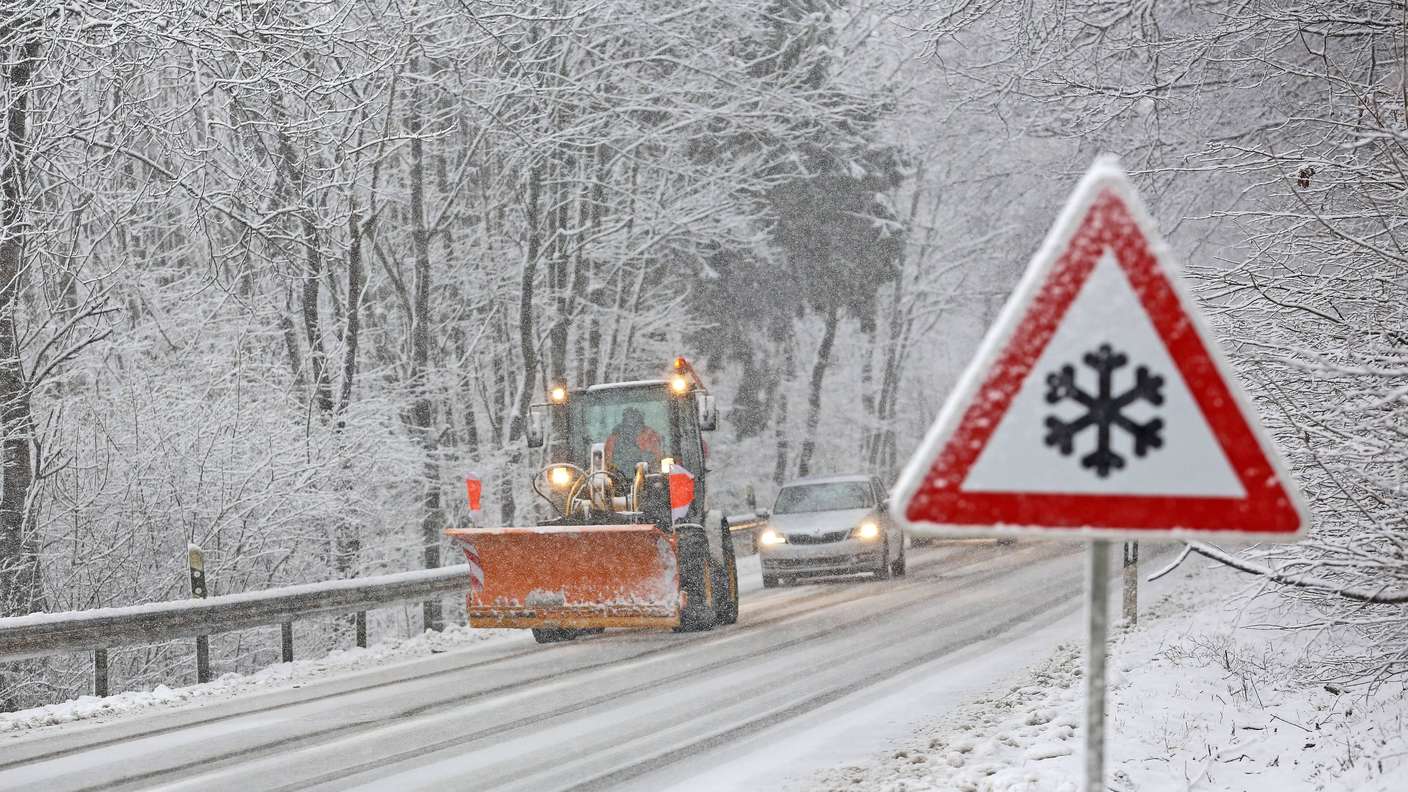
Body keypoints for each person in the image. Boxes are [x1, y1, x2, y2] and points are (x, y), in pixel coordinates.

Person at [604, 407, 663, 473]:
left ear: (640, 421)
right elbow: (607, 463)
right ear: (624, 421)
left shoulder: (650, 436)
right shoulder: (614, 438)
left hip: (648, 478)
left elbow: (658, 460)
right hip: (618, 479)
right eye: (628, 420)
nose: (631, 423)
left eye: (634, 419)